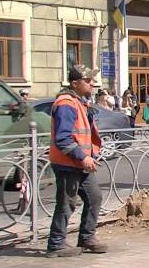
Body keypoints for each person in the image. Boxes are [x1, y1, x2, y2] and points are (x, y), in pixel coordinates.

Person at [46, 65, 108, 257]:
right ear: (74, 83)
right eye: (87, 81)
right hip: (67, 163)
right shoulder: (66, 104)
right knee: (66, 203)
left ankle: (86, 238)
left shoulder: (79, 102)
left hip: (80, 163)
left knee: (94, 197)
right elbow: (63, 138)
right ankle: (56, 244)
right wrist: (84, 157)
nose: (92, 84)